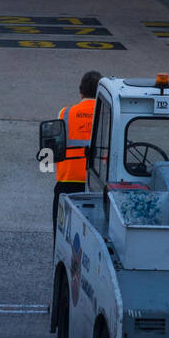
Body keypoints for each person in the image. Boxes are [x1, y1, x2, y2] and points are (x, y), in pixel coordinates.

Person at [52, 70, 101, 232]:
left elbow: (54, 145)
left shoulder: (65, 113)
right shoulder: (107, 114)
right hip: (98, 182)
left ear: (81, 91)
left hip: (68, 181)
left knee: (62, 230)